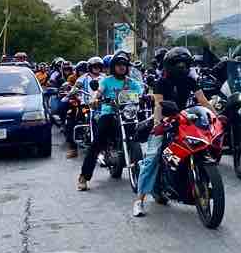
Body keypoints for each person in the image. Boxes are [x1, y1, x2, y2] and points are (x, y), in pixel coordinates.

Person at [131, 47, 213, 217]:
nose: (182, 67)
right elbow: (158, 105)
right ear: (170, 65)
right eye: (178, 64)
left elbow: (203, 101)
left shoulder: (190, 81)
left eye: (185, 64)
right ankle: (139, 201)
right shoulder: (161, 82)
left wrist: (217, 117)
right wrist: (157, 125)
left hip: (184, 119)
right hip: (165, 121)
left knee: (201, 142)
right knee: (152, 157)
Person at [77, 52, 144, 191]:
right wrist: (95, 99)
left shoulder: (132, 82)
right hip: (109, 114)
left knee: (137, 135)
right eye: (119, 65)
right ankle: (84, 176)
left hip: (127, 115)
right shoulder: (106, 81)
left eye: (124, 65)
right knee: (97, 142)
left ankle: (141, 175)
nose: (122, 67)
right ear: (113, 67)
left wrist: (147, 96)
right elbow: (98, 92)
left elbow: (141, 92)